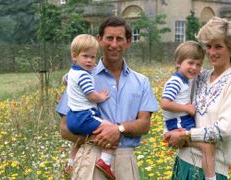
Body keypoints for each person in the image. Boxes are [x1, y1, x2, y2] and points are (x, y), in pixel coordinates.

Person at [56, 16, 159, 180]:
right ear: (99, 40)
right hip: (90, 156)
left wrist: (118, 129)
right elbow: (64, 128)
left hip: (126, 161)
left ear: (128, 42)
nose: (114, 44)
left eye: (119, 39)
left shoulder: (141, 82)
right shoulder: (81, 77)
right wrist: (96, 138)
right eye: (109, 38)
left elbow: (144, 125)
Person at [164, 16, 231, 180]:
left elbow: (224, 130)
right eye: (209, 46)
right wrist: (169, 132)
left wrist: (186, 135)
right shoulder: (198, 77)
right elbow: (176, 105)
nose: (211, 52)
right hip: (183, 162)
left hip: (212, 170)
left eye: (218, 46)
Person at [64, 34, 119, 179]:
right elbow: (90, 95)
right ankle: (105, 162)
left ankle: (70, 163)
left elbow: (65, 80)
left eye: (93, 57)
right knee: (111, 130)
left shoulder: (71, 73)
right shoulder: (84, 75)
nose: (89, 61)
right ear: (74, 56)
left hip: (72, 117)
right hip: (85, 115)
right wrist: (101, 96)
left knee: (80, 140)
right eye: (85, 56)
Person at [161, 41, 216, 179]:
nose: (194, 68)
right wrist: (186, 108)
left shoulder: (185, 80)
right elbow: (165, 103)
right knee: (207, 147)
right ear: (178, 63)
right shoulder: (175, 82)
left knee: (204, 145)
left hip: (182, 122)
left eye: (198, 64)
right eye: (190, 63)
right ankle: (211, 177)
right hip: (178, 123)